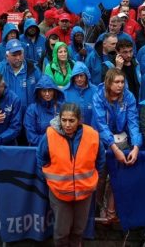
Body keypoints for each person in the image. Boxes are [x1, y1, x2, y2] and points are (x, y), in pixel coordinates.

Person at [37, 103, 105, 247]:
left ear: (79, 120)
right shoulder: (50, 135)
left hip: (84, 193)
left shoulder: (92, 135)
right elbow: (41, 159)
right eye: (64, 120)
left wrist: (92, 181)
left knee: (79, 230)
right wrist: (49, 180)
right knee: (61, 232)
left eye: (71, 121)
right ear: (59, 119)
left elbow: (100, 160)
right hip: (59, 193)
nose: (67, 124)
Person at [92, 69, 142, 222]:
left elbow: (133, 122)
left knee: (118, 175)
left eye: (122, 82)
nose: (121, 85)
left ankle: (112, 209)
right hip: (100, 139)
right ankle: (98, 205)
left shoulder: (128, 96)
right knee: (100, 177)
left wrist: (136, 146)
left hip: (121, 137)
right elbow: (101, 125)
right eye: (117, 82)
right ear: (108, 83)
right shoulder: (98, 96)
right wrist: (114, 148)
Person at [0, 39, 41, 113]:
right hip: (7, 117)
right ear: (7, 56)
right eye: (14, 55)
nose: (18, 58)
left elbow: (42, 91)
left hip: (29, 115)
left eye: (20, 54)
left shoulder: (33, 69)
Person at [24, 75, 64, 146]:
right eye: (44, 91)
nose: (47, 94)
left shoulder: (61, 108)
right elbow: (31, 136)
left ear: (54, 91)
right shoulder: (32, 109)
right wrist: (50, 142)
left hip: (59, 148)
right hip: (38, 148)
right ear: (39, 92)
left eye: (50, 90)